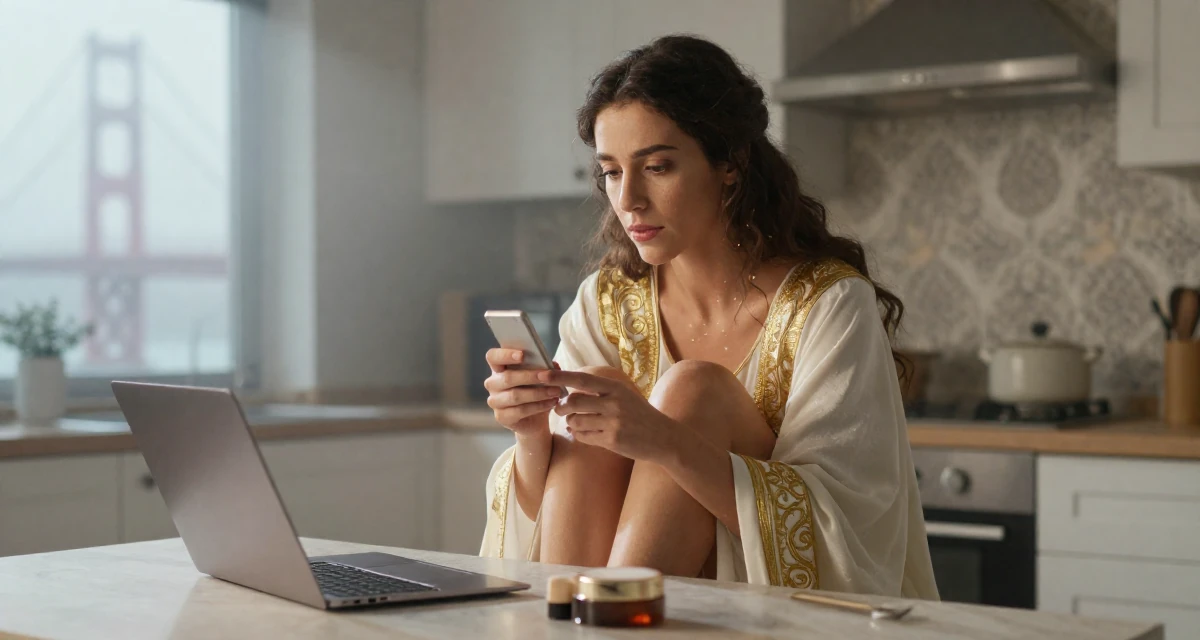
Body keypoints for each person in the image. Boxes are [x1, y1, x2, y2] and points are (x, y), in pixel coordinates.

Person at [479, 34, 938, 599]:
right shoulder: (607, 302)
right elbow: (544, 518)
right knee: (596, 390)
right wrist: (531, 436)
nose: (629, 200)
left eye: (658, 166)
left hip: (762, 613)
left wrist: (667, 441)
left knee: (692, 390)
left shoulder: (828, 304)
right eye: (612, 172)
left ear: (730, 164)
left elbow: (850, 532)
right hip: (586, 596)